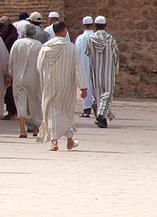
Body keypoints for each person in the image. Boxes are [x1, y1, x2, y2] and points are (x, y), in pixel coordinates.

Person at [37, 20, 88, 152]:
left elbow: (39, 66)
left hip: (50, 84)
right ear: (64, 30)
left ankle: (57, 141)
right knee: (66, 112)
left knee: (52, 112)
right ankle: (68, 139)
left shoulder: (45, 47)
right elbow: (78, 67)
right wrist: (83, 87)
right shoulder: (70, 47)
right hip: (66, 85)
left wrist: (44, 80)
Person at [8, 25, 43, 139]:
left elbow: (11, 60)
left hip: (19, 78)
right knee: (35, 102)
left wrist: (10, 74)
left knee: (20, 103)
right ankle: (36, 129)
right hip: (34, 78)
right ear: (34, 34)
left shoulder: (17, 44)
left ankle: (22, 130)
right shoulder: (38, 45)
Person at [86, 15, 119, 129]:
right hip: (108, 71)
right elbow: (115, 55)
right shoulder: (110, 39)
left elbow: (88, 52)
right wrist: (116, 68)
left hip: (95, 71)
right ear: (105, 25)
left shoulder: (91, 39)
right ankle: (101, 115)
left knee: (98, 94)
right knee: (107, 94)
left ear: (95, 25)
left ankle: (103, 120)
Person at [0, 15, 19, 119]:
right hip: (7, 66)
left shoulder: (12, 37)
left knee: (10, 91)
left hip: (11, 67)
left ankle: (13, 112)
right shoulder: (7, 36)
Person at [74, 15, 96, 117]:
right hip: (95, 65)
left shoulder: (80, 38)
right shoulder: (96, 37)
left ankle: (87, 109)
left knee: (85, 85)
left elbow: (76, 52)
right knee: (95, 86)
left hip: (83, 65)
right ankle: (96, 106)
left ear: (83, 25)